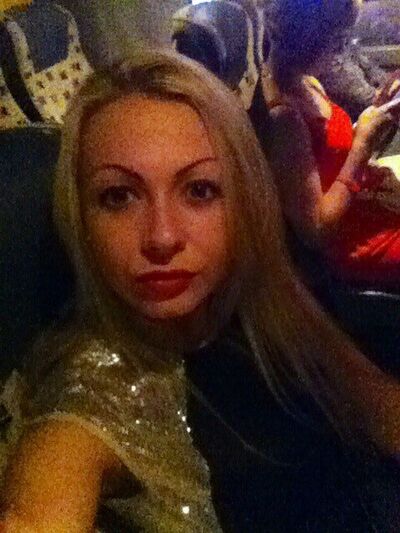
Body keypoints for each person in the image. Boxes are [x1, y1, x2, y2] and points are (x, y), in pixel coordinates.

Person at [1, 49, 400, 532]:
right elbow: (43, 490)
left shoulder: (262, 297)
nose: (162, 237)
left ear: (242, 197)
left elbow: (376, 405)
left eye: (199, 190)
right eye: (118, 196)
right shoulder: (98, 388)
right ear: (81, 218)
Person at [263, 0, 400, 289]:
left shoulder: (307, 82)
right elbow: (316, 229)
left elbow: (330, 152)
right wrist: (362, 145)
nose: (341, 50)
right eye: (337, 40)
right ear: (309, 38)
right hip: (347, 242)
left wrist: (376, 112)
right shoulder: (284, 117)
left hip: (362, 209)